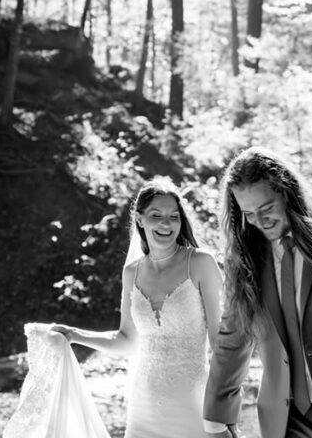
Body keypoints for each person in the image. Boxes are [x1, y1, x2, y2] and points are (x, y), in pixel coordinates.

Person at [203, 146, 312, 438]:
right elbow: (233, 338)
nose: (260, 221)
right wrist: (216, 419)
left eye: (267, 208)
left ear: (288, 192)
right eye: (249, 214)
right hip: (287, 421)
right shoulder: (246, 256)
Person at [51, 179, 223, 438]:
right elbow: (127, 340)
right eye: (157, 215)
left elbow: (220, 342)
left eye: (173, 217)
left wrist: (221, 413)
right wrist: (74, 335)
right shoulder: (131, 272)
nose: (166, 223)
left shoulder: (200, 262)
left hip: (194, 403)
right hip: (143, 406)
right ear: (140, 219)